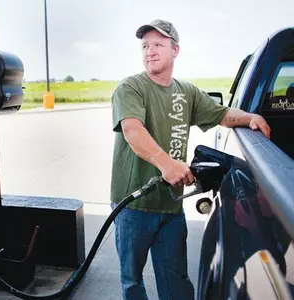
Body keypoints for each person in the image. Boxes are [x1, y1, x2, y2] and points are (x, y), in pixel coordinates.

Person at [110, 19, 271, 300]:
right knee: (132, 281)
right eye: (145, 45)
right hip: (133, 204)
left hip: (171, 206)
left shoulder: (187, 92)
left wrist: (250, 118)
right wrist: (168, 165)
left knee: (176, 280)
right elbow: (132, 131)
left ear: (175, 50)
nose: (150, 51)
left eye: (158, 44)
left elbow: (221, 114)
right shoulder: (130, 88)